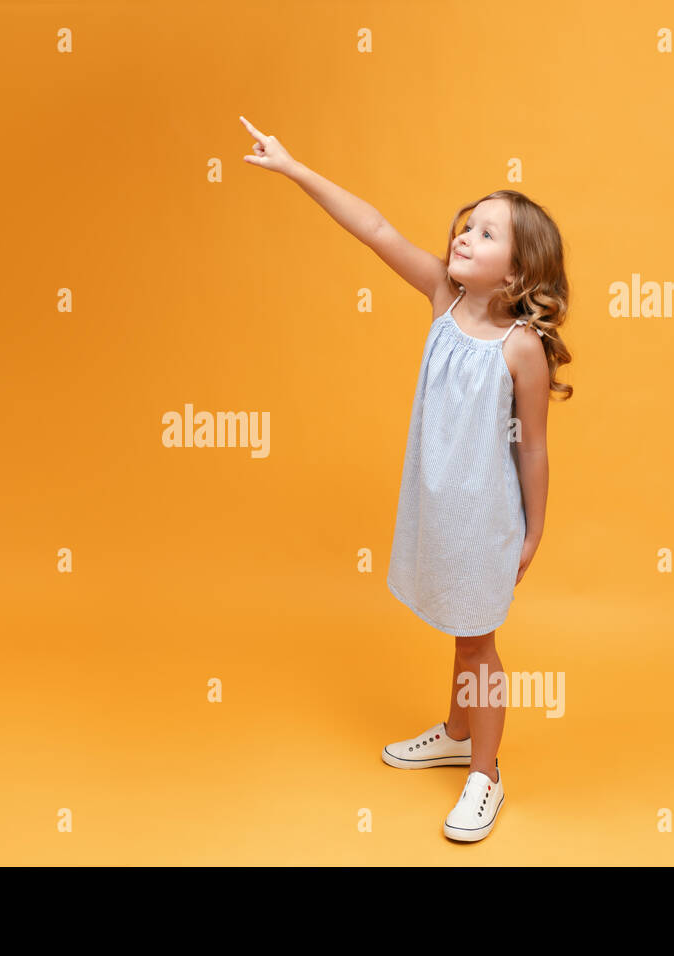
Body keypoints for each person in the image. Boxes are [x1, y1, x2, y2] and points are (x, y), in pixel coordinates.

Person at [239, 115, 574, 842]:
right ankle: (457, 733)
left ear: (517, 274)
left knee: (478, 644)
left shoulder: (523, 349)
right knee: (458, 634)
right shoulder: (441, 298)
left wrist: (533, 533)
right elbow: (376, 227)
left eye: (487, 234)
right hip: (437, 510)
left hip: (486, 522)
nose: (464, 236)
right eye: (467, 223)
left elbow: (534, 451)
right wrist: (295, 168)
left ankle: (486, 772)